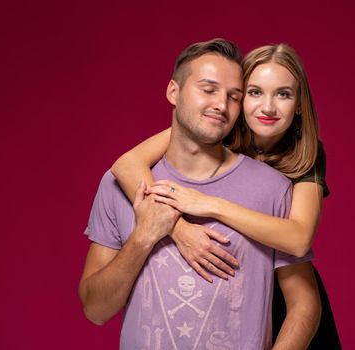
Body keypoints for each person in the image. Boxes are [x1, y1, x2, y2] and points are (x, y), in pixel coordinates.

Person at [79, 38, 321, 349]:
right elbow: (96, 311)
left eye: (234, 96)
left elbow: (304, 302)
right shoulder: (120, 184)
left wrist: (209, 205)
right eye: (208, 89)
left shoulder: (275, 188)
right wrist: (147, 234)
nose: (221, 104)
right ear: (173, 92)